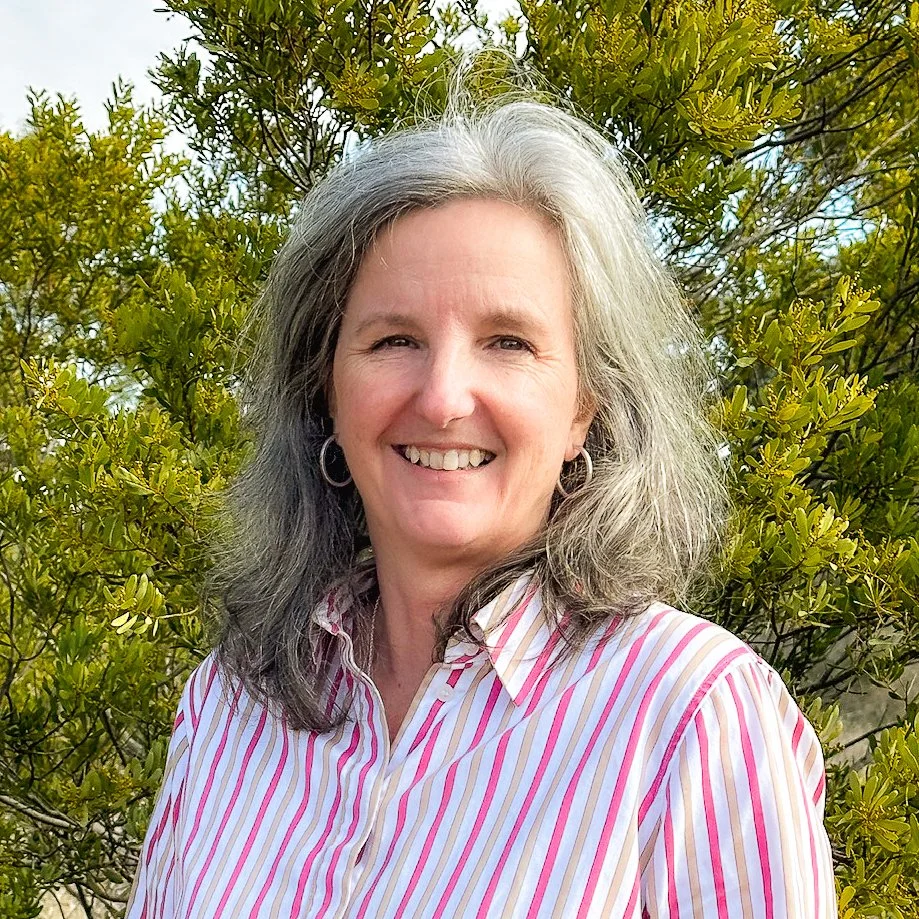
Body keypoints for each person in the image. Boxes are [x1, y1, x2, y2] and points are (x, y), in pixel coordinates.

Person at [126, 88, 836, 918]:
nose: (442, 397)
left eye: (508, 342)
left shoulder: (689, 714)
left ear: (584, 406)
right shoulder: (230, 702)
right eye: (394, 340)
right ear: (325, 390)